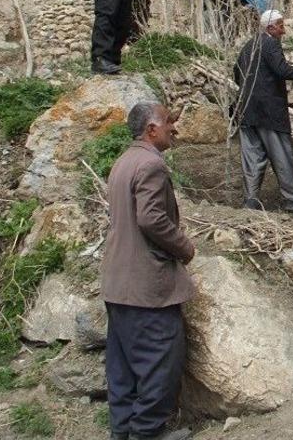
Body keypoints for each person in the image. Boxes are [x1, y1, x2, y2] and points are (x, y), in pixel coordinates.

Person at [101, 102, 194, 440]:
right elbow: (151, 218)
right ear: (151, 129)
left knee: (122, 367)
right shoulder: (151, 164)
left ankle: (123, 431)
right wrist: (184, 247)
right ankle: (147, 433)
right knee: (160, 361)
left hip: (117, 283)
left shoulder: (123, 161)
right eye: (168, 121)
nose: (174, 127)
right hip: (146, 285)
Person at [234, 9, 293, 212]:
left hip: (248, 111)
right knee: (283, 156)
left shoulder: (249, 45)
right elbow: (284, 71)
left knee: (252, 157)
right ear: (270, 28)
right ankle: (292, 200)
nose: (283, 31)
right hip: (269, 112)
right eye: (281, 26)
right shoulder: (270, 44)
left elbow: (236, 71)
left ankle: (250, 201)